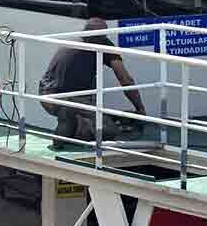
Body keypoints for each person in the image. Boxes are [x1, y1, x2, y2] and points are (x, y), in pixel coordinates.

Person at [48, 18, 147, 150]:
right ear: (103, 35)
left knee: (73, 113)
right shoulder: (102, 45)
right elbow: (125, 80)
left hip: (47, 95)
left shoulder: (73, 41)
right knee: (108, 130)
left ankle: (64, 136)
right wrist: (140, 108)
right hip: (67, 99)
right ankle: (73, 132)